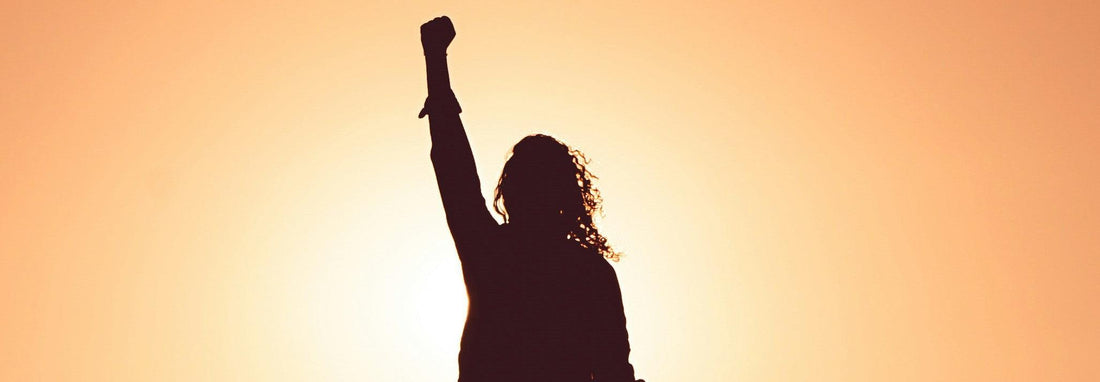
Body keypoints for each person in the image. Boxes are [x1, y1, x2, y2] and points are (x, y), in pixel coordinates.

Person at [418, 16, 642, 382]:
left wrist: (435, 61)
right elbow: (452, 165)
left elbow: (453, 167)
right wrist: (435, 65)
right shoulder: (586, 271)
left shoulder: (491, 250)